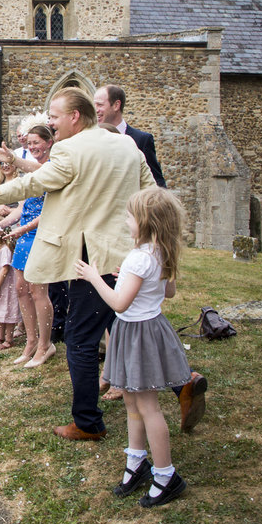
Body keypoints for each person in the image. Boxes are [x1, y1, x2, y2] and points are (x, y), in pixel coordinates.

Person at [0, 87, 157, 441]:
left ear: (75, 116)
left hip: (90, 261)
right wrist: (156, 250)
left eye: (55, 116)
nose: (50, 123)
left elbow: (33, 184)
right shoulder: (126, 145)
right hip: (129, 258)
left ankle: (88, 423)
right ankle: (186, 381)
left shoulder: (70, 148)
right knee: (140, 329)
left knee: (80, 340)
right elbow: (152, 196)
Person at [75, 187, 192, 506]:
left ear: (145, 221)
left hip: (136, 332)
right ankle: (137, 463)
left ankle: (167, 476)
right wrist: (127, 277)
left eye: (129, 216)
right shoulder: (159, 252)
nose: (126, 221)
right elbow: (167, 293)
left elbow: (120, 304)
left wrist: (94, 278)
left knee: (148, 407)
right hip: (143, 330)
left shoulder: (140, 258)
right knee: (131, 403)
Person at [2, 124, 56, 369]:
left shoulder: (53, 169)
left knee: (38, 291)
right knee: (21, 289)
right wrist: (0, 225)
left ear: (49, 142)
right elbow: (22, 208)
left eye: (37, 143)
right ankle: (31, 340)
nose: (32, 147)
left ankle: (46, 344)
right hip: (24, 236)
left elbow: (51, 211)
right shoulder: (29, 173)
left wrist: (22, 229)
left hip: (41, 235)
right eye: (29, 143)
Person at [94, 85, 167, 188]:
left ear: (116, 105)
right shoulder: (90, 139)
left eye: (100, 105)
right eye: (94, 105)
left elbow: (157, 181)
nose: (95, 110)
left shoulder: (142, 140)